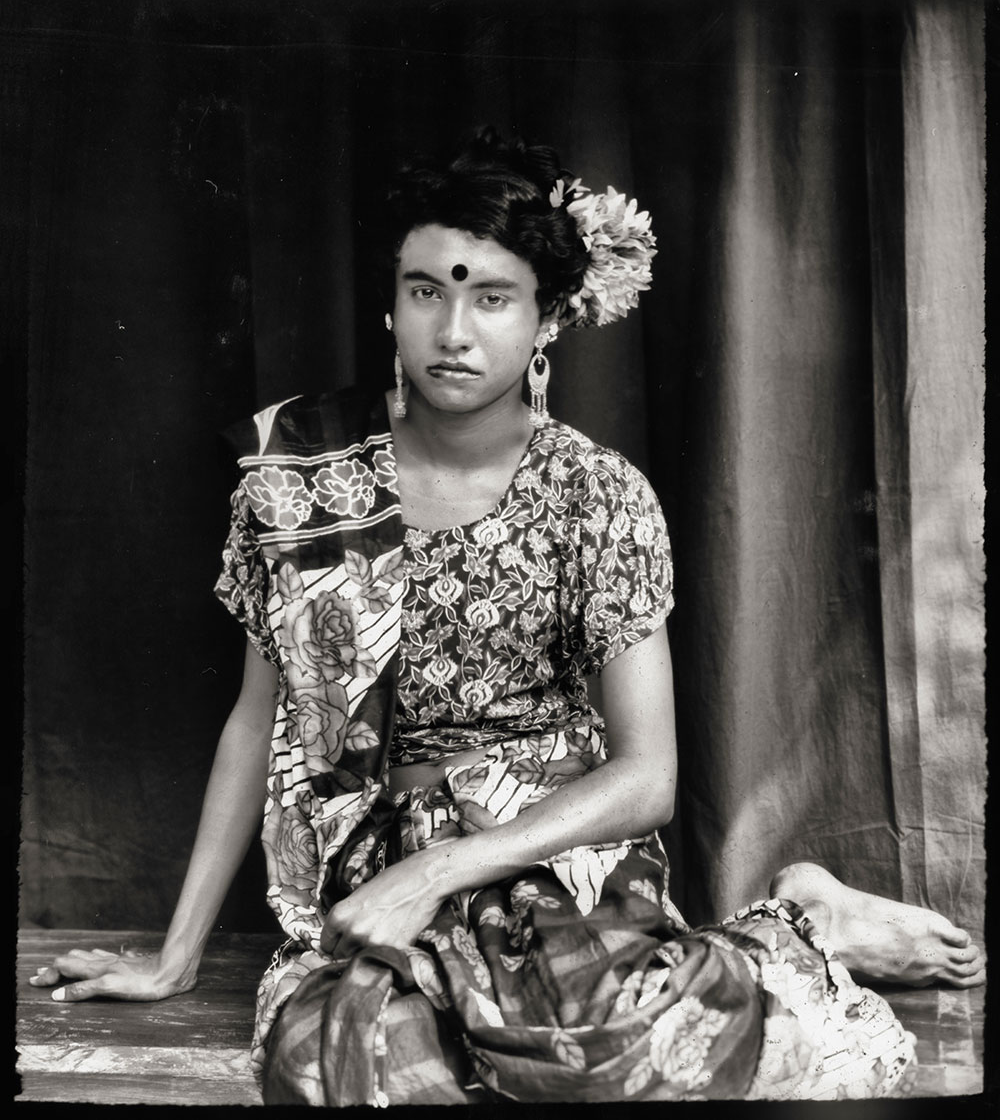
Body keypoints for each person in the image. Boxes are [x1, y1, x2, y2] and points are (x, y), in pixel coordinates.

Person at [30, 128, 984, 1104]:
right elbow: (255, 718)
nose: (453, 331)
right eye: (425, 291)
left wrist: (444, 868)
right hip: (367, 854)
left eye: (490, 297)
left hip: (542, 853)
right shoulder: (299, 481)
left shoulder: (598, 496)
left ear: (546, 321)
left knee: (619, 1057)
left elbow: (647, 775)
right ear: (391, 305)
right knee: (337, 1065)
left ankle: (798, 920)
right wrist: (176, 956)